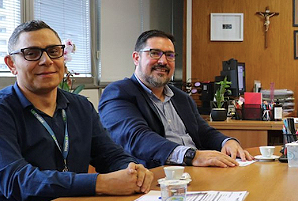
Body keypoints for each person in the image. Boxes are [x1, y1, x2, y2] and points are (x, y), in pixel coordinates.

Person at [0, 21, 154, 201]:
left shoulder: (80, 106)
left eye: (53, 51)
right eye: (32, 53)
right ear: (11, 64)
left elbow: (110, 155)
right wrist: (101, 183)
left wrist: (133, 171)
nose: (46, 61)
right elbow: (18, 181)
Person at [99, 30, 252, 169]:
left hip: (195, 173)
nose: (163, 61)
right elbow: (137, 138)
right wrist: (192, 156)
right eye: (154, 53)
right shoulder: (118, 93)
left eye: (169, 55)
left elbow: (202, 132)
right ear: (136, 57)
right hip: (155, 178)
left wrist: (227, 142)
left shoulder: (181, 98)